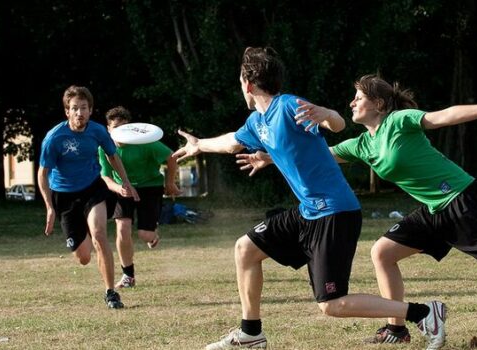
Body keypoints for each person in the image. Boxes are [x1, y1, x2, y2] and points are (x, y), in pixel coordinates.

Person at [238, 74, 477, 345]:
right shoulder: (362, 144)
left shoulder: (399, 122)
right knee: (383, 252)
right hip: (434, 210)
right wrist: (268, 157)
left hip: (461, 199)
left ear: (377, 103)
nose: (351, 103)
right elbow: (314, 155)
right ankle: (398, 329)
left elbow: (443, 117)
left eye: (358, 98)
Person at [174, 47, 448, 350]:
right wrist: (199, 145)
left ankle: (423, 312)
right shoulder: (257, 122)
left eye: (240, 81)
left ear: (248, 84)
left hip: (335, 213)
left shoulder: (288, 105)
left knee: (332, 304)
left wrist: (327, 114)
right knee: (245, 249)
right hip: (308, 212)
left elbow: (337, 123)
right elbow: (231, 143)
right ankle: (251, 333)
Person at [38, 85, 139, 309]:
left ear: (90, 110)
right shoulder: (54, 138)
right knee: (83, 257)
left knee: (100, 236)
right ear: (67, 111)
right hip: (64, 196)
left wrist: (126, 182)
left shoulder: (97, 131)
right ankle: (82, 236)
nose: (79, 113)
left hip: (92, 189)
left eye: (83, 108)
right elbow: (42, 174)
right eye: (74, 108)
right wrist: (49, 207)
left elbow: (113, 157)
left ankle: (111, 293)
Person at [98, 106, 182, 289]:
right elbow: (106, 176)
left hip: (150, 187)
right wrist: (119, 188)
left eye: (125, 128)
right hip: (123, 189)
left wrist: (170, 182)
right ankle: (128, 275)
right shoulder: (104, 147)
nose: (122, 133)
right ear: (108, 129)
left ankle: (152, 236)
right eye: (116, 128)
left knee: (145, 234)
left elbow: (171, 157)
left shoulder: (146, 143)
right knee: (122, 227)